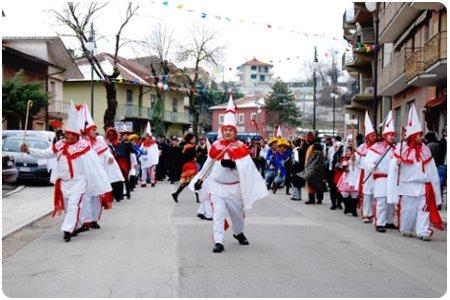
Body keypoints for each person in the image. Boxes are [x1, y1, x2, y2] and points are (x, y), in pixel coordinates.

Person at [20, 102, 111, 242]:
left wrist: (97, 178)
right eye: (66, 133)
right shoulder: (60, 144)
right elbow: (46, 153)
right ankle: (77, 225)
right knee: (69, 207)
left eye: (69, 134)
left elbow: (93, 163)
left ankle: (67, 230)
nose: (66, 136)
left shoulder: (83, 147)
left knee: (74, 205)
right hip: (64, 182)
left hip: (78, 181)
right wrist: (29, 150)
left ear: (76, 135)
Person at [189, 95, 268, 253]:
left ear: (234, 132)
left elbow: (248, 169)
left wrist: (234, 164)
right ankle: (218, 241)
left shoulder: (241, 148)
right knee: (218, 215)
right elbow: (208, 166)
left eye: (230, 130)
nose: (227, 133)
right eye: (224, 130)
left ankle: (238, 233)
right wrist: (199, 180)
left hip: (235, 189)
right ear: (222, 131)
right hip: (217, 188)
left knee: (237, 216)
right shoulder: (216, 146)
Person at [387, 105, 443, 241]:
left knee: (423, 210)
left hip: (423, 186)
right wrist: (397, 163)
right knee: (408, 210)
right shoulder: (401, 149)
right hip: (407, 185)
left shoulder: (426, 150)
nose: (421, 137)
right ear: (413, 136)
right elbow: (393, 169)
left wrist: (436, 189)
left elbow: (432, 170)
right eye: (419, 135)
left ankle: (422, 231)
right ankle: (406, 228)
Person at [78, 104, 124, 229]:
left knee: (97, 197)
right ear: (87, 131)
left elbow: (107, 153)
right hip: (85, 174)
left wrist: (109, 158)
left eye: (95, 129)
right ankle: (85, 221)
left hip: (97, 173)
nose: (95, 131)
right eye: (93, 129)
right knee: (86, 198)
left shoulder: (99, 141)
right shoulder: (81, 143)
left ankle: (94, 219)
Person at [356, 111, 378, 223]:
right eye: (372, 136)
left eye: (375, 135)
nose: (375, 137)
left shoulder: (379, 147)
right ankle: (366, 214)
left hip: (377, 174)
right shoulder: (362, 148)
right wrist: (363, 165)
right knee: (367, 194)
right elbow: (357, 160)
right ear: (368, 137)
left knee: (376, 195)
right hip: (365, 174)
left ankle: (375, 215)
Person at [106, 125, 135, 201]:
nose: (111, 136)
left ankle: (121, 194)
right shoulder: (106, 143)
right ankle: (113, 195)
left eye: (112, 135)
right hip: (109, 163)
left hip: (121, 163)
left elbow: (123, 153)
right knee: (110, 179)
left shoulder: (121, 144)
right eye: (109, 135)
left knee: (121, 178)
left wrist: (115, 154)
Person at [172, 133, 198, 203]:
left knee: (189, 182)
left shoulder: (185, 146)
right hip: (190, 165)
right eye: (194, 138)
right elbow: (191, 158)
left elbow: (182, 156)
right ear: (191, 139)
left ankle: (176, 194)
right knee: (193, 181)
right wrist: (195, 158)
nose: (195, 139)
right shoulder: (192, 147)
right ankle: (176, 194)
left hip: (186, 165)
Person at [336, 146, 359, 216]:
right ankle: (347, 207)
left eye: (349, 151)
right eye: (346, 151)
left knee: (354, 195)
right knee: (345, 194)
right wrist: (344, 169)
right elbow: (341, 168)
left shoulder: (356, 158)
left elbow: (358, 165)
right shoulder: (344, 159)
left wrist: (354, 160)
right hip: (346, 179)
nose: (347, 152)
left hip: (354, 179)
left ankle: (354, 210)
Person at [139, 122, 160, 187]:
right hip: (145, 159)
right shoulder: (143, 143)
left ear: (150, 137)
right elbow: (140, 150)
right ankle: (144, 182)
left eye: (148, 136)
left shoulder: (154, 144)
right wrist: (141, 153)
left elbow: (156, 151)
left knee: (152, 171)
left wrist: (154, 156)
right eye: (146, 136)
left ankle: (152, 181)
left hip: (151, 159)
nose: (146, 137)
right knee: (143, 170)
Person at [329, 137, 344, 210]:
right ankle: (333, 203)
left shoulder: (341, 155)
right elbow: (329, 164)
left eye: (337, 146)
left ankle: (339, 203)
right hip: (332, 173)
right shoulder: (332, 154)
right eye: (335, 146)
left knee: (339, 189)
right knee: (333, 189)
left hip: (339, 174)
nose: (335, 148)